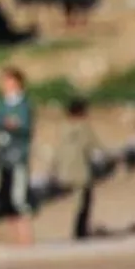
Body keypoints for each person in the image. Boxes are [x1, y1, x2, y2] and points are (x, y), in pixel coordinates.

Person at [0, 66, 35, 246]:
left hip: (18, 156)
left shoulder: (23, 104)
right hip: (3, 157)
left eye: (9, 81)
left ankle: (26, 238)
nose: (6, 85)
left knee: (20, 198)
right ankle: (15, 239)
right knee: (5, 198)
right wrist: (6, 123)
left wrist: (13, 125)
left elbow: (24, 126)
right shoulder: (1, 104)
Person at [51, 97, 104, 240]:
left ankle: (79, 230)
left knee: (78, 201)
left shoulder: (63, 128)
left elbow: (57, 151)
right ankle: (80, 231)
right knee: (84, 202)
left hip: (64, 170)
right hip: (80, 170)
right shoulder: (84, 128)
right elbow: (96, 147)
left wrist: (53, 170)